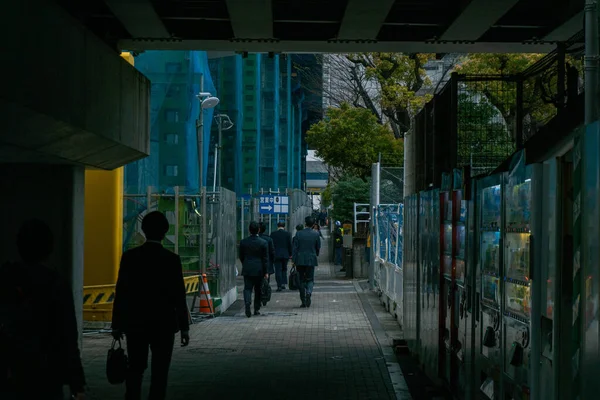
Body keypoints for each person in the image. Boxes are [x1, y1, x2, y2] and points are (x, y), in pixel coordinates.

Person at [0, 219, 86, 400]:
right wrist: (76, 382)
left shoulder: (6, 279)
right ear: (49, 248)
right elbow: (68, 337)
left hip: (12, 369)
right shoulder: (56, 284)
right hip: (47, 371)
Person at [112, 211, 190, 400]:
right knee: (160, 372)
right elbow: (179, 295)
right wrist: (184, 327)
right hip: (164, 324)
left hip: (135, 323)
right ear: (165, 232)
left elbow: (121, 292)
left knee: (135, 369)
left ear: (143, 230)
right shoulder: (172, 260)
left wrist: (117, 324)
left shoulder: (130, 257)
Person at [239, 221, 269, 317]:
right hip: (259, 269)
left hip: (247, 268)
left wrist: (245, 263)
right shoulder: (263, 243)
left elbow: (241, 256)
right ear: (258, 230)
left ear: (249, 230)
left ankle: (247, 303)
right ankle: (256, 309)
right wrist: (266, 271)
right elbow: (265, 259)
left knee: (247, 288)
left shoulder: (243, 242)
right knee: (258, 289)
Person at [292, 216, 321, 308]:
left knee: (300, 279)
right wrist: (315, 254)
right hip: (311, 259)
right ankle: (308, 292)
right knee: (310, 279)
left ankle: (303, 300)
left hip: (300, 260)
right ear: (313, 225)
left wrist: (294, 260)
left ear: (305, 224)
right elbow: (318, 247)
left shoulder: (299, 234)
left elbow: (295, 248)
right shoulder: (316, 234)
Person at [270, 221, 292, 292]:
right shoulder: (288, 234)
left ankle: (279, 285)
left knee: (278, 270)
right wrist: (290, 254)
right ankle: (283, 283)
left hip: (276, 254)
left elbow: (271, 245)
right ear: (284, 226)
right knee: (284, 269)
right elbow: (290, 245)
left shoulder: (273, 234)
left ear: (277, 226)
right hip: (285, 254)